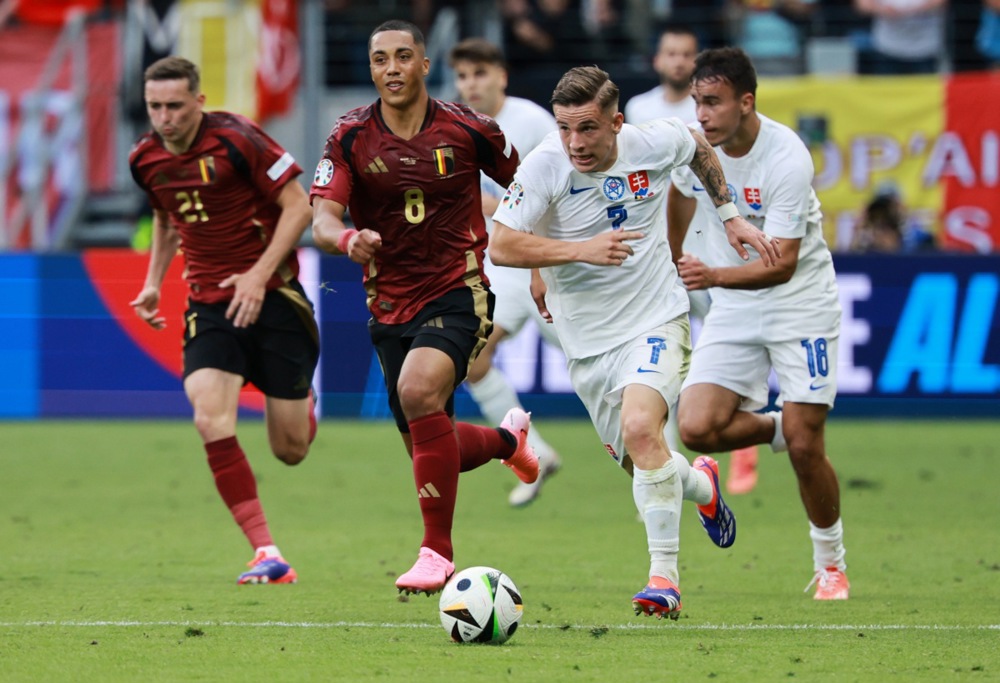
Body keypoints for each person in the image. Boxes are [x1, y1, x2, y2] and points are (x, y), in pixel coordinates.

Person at [489, 65, 779, 619]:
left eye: (588, 128)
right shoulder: (546, 163)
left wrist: (731, 216)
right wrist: (577, 252)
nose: (575, 142)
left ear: (617, 123)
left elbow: (697, 146)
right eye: (565, 128)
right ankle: (702, 485)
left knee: (644, 429)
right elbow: (502, 244)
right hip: (587, 342)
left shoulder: (652, 141)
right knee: (646, 465)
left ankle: (663, 580)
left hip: (656, 318)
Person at [310, 20, 538, 596]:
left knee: (417, 393)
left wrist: (540, 267)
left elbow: (534, 191)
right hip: (388, 302)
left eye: (403, 56)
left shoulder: (470, 129)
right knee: (430, 448)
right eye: (380, 59)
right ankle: (508, 443)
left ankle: (437, 553)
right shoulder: (349, 136)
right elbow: (322, 220)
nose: (392, 68)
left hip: (459, 289)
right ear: (371, 69)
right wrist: (346, 239)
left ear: (424, 65)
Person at [667, 47, 850, 600]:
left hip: (801, 303)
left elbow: (783, 264)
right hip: (736, 302)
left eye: (714, 102)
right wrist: (674, 261)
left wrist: (712, 276)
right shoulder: (694, 150)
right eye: (697, 102)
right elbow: (679, 196)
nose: (702, 115)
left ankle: (831, 564)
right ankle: (777, 428)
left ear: (746, 102)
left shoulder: (786, 157)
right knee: (695, 428)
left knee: (806, 446)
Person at [128, 57, 318, 585]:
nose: (164, 117)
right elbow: (167, 215)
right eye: (154, 107)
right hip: (210, 304)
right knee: (209, 418)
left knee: (290, 450)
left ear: (199, 101)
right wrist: (152, 282)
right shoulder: (144, 158)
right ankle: (266, 553)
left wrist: (257, 275)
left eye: (174, 105)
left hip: (275, 297)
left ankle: (302, 402)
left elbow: (299, 207)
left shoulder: (238, 139)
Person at [625, 26, 759, 495]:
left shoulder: (710, 108)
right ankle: (662, 451)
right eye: (671, 53)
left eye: (686, 54)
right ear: (657, 60)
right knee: (661, 348)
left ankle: (740, 442)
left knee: (724, 339)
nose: (679, 61)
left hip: (712, 244)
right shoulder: (639, 109)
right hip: (663, 243)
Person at [448, 37, 562, 508]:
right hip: (497, 265)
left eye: (480, 73)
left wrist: (494, 206)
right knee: (473, 359)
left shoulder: (532, 122)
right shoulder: (456, 126)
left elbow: (557, 195)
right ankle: (534, 454)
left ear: (502, 76)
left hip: (543, 259)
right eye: (463, 76)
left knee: (599, 365)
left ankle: (659, 463)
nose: (471, 84)